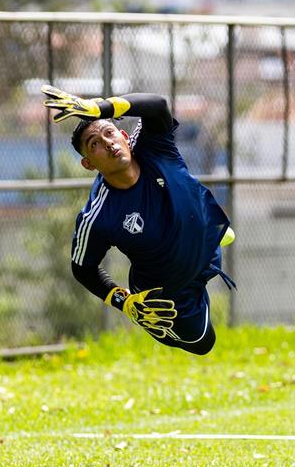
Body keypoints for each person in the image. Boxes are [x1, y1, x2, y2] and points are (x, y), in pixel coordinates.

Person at [43, 84, 235, 355]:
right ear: (89, 164)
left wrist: (100, 107)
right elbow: (82, 269)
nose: (108, 143)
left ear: (124, 135)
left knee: (191, 204)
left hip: (202, 241)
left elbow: (158, 105)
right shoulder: (98, 215)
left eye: (109, 133)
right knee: (203, 343)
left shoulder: (152, 145)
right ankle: (162, 322)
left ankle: (204, 236)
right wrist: (124, 302)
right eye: (94, 144)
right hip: (166, 289)